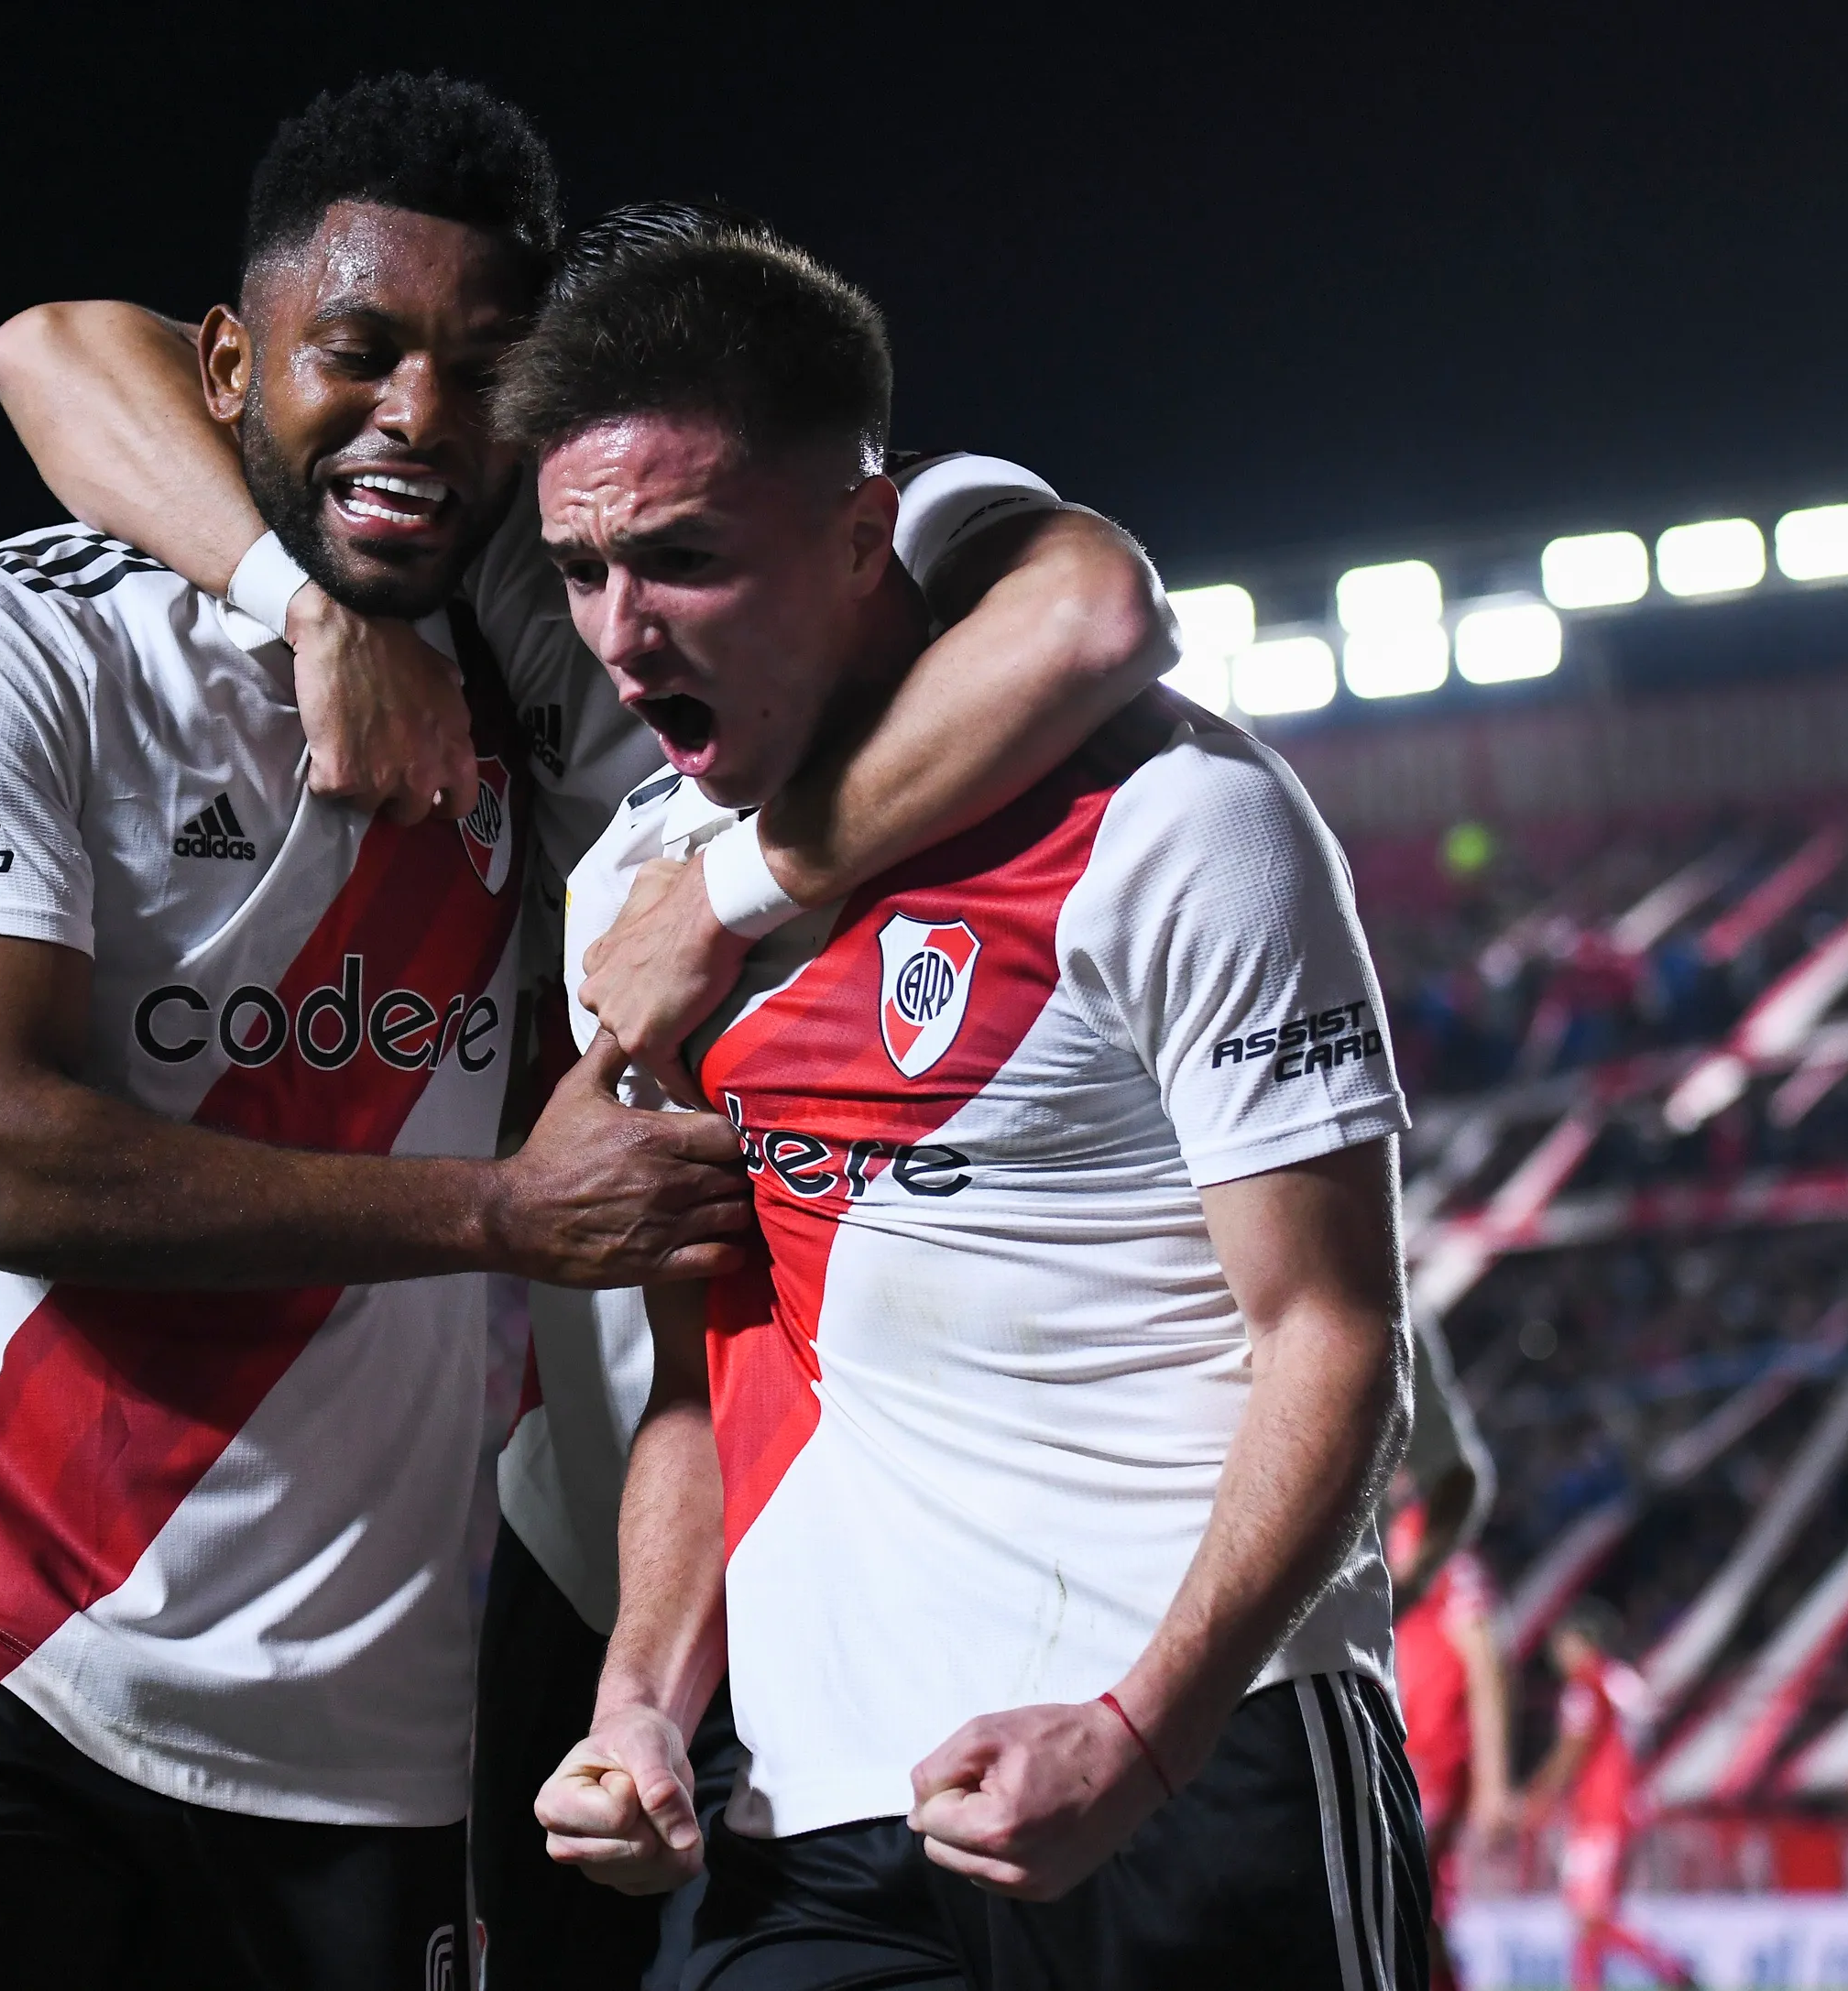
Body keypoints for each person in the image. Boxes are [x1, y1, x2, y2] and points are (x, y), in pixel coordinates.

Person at [0, 189, 1176, 1986]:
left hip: (921, 1469)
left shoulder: (861, 552)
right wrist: (301, 603)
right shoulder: (510, 587)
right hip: (626, 1462)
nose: (444, 417)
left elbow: (1092, 611)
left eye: (494, 368)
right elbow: (49, 345)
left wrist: (743, 889)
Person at [513, 224, 1428, 1986]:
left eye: (685, 561)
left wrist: (1147, 1730)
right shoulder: (635, 907)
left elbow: (1335, 1334)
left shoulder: (1178, 823)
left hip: (1196, 1772)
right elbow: (703, 1385)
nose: (622, 637)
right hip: (813, 1820)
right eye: (580, 570)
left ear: (868, 538)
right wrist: (640, 1704)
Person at [1524, 1603, 1696, 1991]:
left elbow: (1575, 1746)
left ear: (1582, 1643)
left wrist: (1539, 1793)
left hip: (1601, 1812)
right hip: (1625, 1807)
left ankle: (1672, 1971)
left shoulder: (1587, 1684)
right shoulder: (1623, 1679)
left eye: (1562, 1644)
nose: (1557, 1654)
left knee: (1589, 1915)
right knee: (1589, 1916)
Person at [1389, 1487, 1507, 1991]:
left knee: (1404, 1893)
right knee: (1414, 1902)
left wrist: (1493, 1785)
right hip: (1409, 1751)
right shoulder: (1393, 1538)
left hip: (1437, 1759)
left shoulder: (1445, 1553)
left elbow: (1486, 1664)